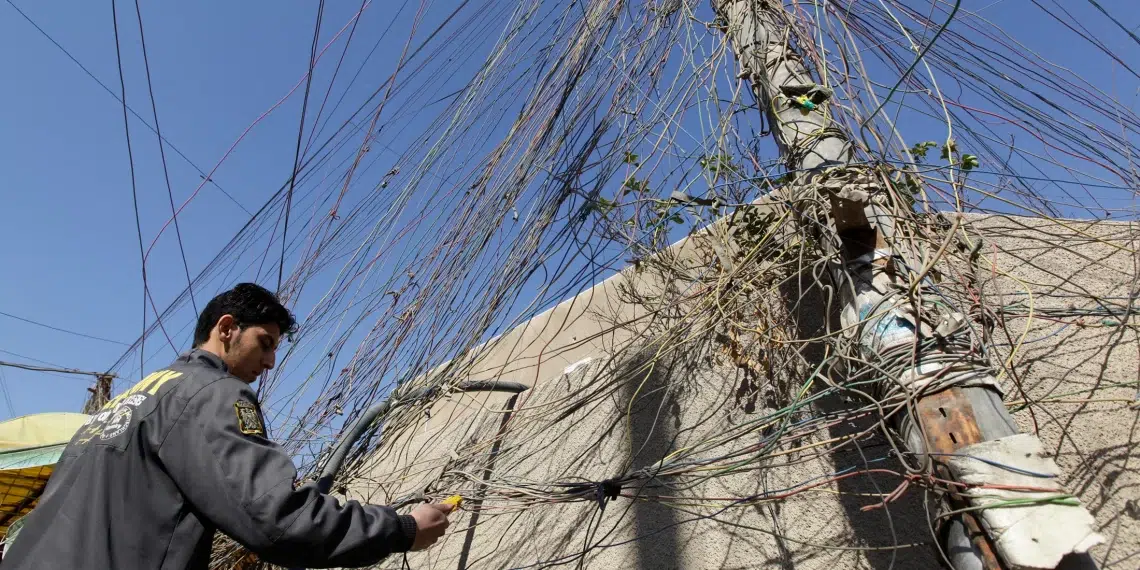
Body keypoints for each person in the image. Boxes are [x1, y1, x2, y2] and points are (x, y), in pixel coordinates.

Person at [3, 283, 453, 569]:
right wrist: (403, 529)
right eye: (265, 342)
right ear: (227, 327)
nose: (271, 361)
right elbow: (275, 518)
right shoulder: (211, 391)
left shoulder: (132, 400)